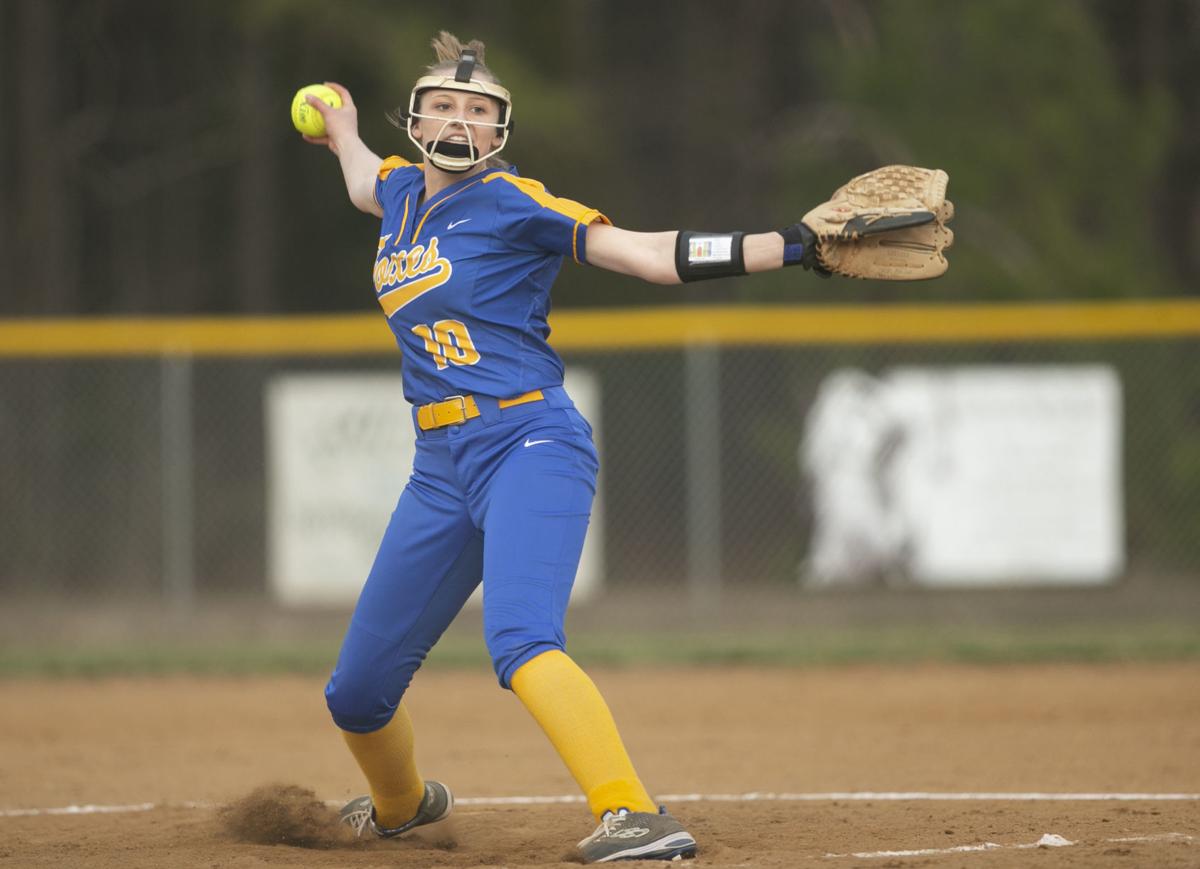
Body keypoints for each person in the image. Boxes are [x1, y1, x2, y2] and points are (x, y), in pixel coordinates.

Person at [302, 31, 820, 863]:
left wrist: (797, 246)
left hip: (528, 439)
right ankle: (402, 806)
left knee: (520, 638)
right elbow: (363, 175)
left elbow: (649, 256)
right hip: (439, 468)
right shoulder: (398, 193)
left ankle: (635, 815)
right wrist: (341, 125)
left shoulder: (515, 201)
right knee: (355, 692)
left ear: (499, 131)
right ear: (416, 119)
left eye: (479, 111)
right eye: (444, 105)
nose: (460, 120)